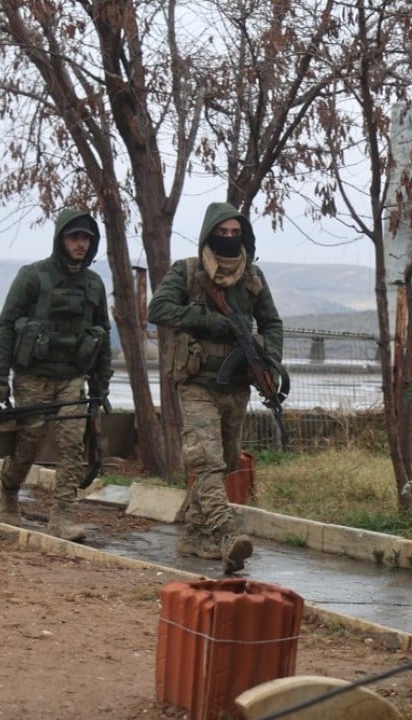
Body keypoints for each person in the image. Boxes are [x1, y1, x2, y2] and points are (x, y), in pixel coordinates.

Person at [147, 202, 283, 574]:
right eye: (220, 233)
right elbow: (157, 309)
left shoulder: (252, 278)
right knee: (206, 460)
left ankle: (194, 533)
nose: (227, 239)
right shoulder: (188, 272)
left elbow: (272, 324)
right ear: (209, 235)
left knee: (222, 459)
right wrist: (209, 320)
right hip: (196, 383)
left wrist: (267, 356)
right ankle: (226, 534)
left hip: (236, 385)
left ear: (243, 234)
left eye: (233, 232)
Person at [0, 209, 113, 542]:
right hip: (32, 377)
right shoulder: (33, 277)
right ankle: (9, 492)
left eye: (86, 238)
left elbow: (102, 333)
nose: (80, 244)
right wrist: (0, 379)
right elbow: (5, 328)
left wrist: (101, 384)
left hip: (73, 379)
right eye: (74, 237)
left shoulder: (93, 284)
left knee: (72, 446)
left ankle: (61, 517)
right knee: (28, 444)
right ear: (60, 239)